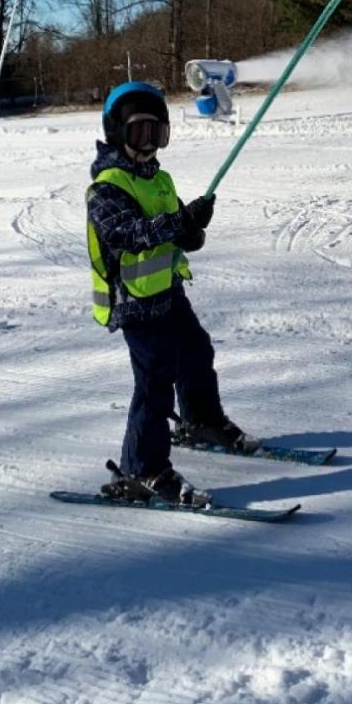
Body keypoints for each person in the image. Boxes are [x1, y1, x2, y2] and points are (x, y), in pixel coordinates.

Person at [86, 81, 247, 505]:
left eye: (159, 133)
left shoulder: (158, 179)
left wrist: (191, 228)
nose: (151, 144)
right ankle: (143, 467)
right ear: (118, 132)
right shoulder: (107, 187)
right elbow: (127, 234)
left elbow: (171, 226)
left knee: (196, 351)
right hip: (134, 303)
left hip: (167, 292)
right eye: (142, 132)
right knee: (155, 380)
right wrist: (179, 225)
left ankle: (201, 421)